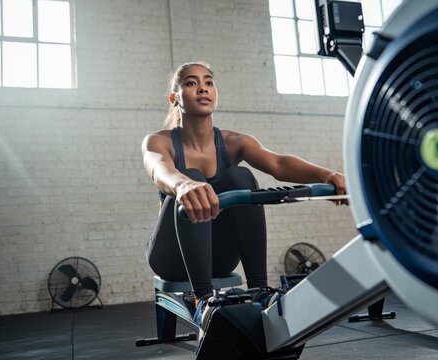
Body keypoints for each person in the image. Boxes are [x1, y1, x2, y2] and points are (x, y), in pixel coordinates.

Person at [142, 61, 347, 329]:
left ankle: (260, 290)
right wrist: (183, 185)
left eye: (209, 82)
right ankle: (202, 299)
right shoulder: (159, 141)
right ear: (175, 97)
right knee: (194, 177)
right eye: (191, 83)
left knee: (241, 177)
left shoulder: (233, 142)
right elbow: (160, 169)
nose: (202, 88)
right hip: (170, 256)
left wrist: (327, 175)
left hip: (220, 256)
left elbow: (279, 164)